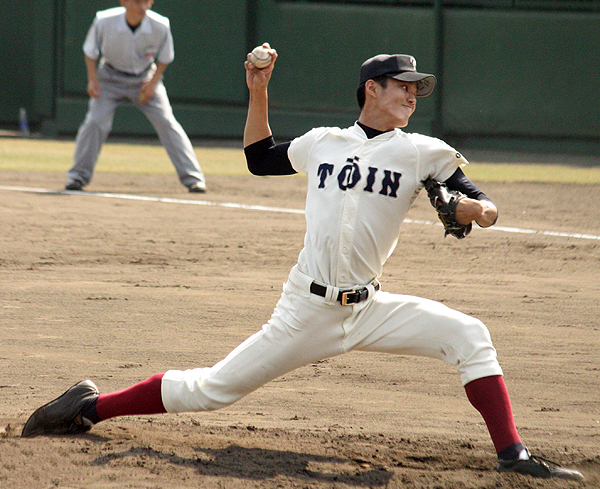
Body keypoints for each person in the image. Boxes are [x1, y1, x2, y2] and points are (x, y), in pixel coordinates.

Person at [22, 47, 583, 482]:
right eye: (403, 86)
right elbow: (260, 158)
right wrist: (258, 90)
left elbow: (463, 194)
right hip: (305, 310)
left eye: (418, 88)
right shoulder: (323, 142)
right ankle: (91, 408)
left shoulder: (421, 152)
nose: (413, 95)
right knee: (212, 389)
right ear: (373, 88)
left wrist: (477, 210)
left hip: (370, 308)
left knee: (470, 335)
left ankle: (514, 456)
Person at [65, 0, 207, 193]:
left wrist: (153, 83)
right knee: (95, 122)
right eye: (137, 1)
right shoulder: (104, 20)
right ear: (123, 1)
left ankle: (193, 178)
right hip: (109, 77)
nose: (142, 7)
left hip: (145, 78)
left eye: (146, 2)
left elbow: (165, 57)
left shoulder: (160, 24)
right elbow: (90, 51)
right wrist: (92, 79)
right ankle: (77, 177)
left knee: (167, 122)